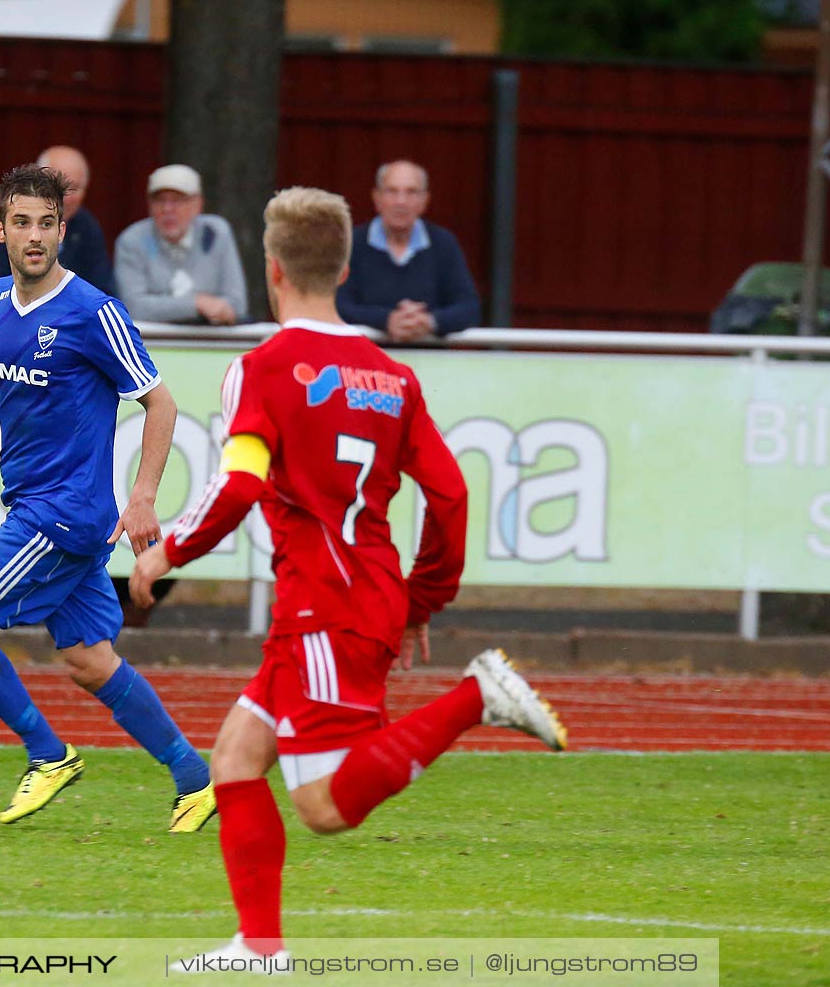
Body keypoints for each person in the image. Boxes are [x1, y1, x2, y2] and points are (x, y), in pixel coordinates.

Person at [130, 186, 566, 967]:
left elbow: (238, 486)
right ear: (342, 266)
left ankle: (478, 697)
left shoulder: (262, 368)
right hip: (360, 594)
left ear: (272, 271)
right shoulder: (392, 376)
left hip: (322, 605)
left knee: (324, 806)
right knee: (234, 759)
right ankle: (260, 948)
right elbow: (452, 493)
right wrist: (420, 599)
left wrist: (168, 554)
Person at [0, 162, 216, 833]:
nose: (34, 236)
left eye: (46, 224)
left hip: (63, 515)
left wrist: (143, 497)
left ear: (62, 231)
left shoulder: (93, 312)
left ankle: (48, 754)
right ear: (2, 231)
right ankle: (195, 780)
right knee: (88, 659)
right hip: (38, 508)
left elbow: (159, 403)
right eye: (22, 223)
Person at [0, 145, 115, 313]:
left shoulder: (87, 227)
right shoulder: (5, 216)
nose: (64, 198)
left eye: (73, 189)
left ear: (61, 231)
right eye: (23, 224)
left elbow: (100, 288)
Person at [337, 160, 481, 341]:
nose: (401, 201)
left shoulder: (443, 243)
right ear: (376, 198)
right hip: (364, 363)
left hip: (430, 362)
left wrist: (429, 321)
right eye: (392, 191)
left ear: (424, 201)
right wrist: (386, 320)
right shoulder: (351, 243)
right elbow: (337, 305)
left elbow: (469, 308)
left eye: (411, 192)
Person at [113, 164, 249, 326]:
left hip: (210, 342)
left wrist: (165, 307)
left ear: (197, 205)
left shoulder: (216, 233)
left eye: (177, 201)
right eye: (160, 201)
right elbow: (133, 307)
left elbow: (237, 305)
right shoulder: (132, 240)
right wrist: (197, 304)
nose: (167, 209)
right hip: (152, 344)